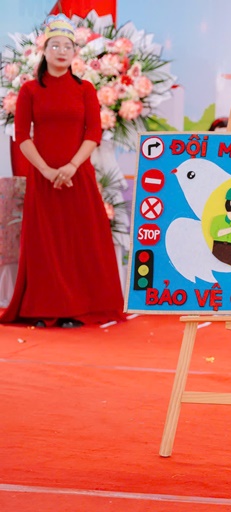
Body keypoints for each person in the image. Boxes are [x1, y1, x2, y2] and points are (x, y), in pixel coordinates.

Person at [0, 15, 124, 328]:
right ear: (44, 50)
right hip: (43, 179)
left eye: (67, 46)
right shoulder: (29, 90)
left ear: (74, 53)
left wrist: (71, 166)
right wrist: (44, 170)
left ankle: (76, 308)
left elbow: (93, 133)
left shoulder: (85, 89)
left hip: (77, 176)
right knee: (45, 243)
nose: (61, 51)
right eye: (55, 46)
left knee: (78, 241)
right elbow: (22, 136)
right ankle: (44, 308)